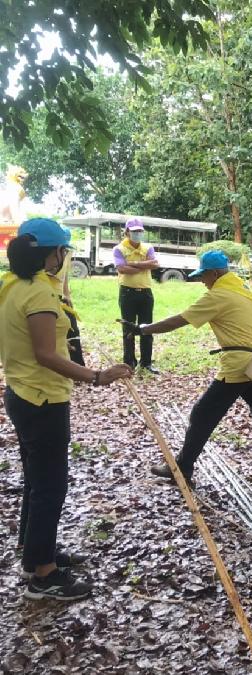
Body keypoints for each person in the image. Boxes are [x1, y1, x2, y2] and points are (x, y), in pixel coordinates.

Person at [0, 218, 132, 601]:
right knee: (50, 486)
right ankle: (43, 576)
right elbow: (46, 354)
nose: (65, 258)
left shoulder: (11, 285)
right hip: (42, 399)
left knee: (36, 481)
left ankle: (35, 552)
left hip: (21, 391)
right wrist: (97, 376)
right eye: (64, 251)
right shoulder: (39, 294)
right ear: (53, 253)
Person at [125, 251, 252, 483]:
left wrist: (143, 329)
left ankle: (182, 468)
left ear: (215, 274)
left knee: (202, 413)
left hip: (239, 365)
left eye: (204, 275)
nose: (202, 280)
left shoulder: (219, 295)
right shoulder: (244, 289)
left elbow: (180, 320)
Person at [115, 218, 159, 373]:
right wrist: (144, 265)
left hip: (146, 292)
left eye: (140, 231)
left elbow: (155, 264)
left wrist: (133, 263)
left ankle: (146, 363)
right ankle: (129, 362)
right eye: (134, 231)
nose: (137, 234)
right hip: (127, 292)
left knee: (147, 328)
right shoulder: (119, 249)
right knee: (128, 328)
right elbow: (122, 269)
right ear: (127, 232)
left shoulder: (148, 247)